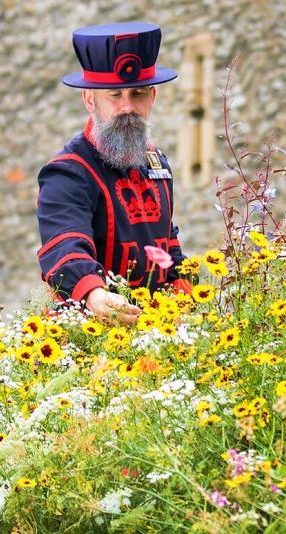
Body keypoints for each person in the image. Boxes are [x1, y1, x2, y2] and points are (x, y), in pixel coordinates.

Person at [35, 21, 190, 325]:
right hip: (89, 332)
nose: (127, 107)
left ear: (153, 97)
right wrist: (94, 294)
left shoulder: (157, 164)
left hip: (157, 332)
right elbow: (64, 245)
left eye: (139, 93)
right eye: (115, 95)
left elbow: (166, 244)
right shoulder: (67, 173)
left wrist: (185, 294)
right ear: (89, 99)